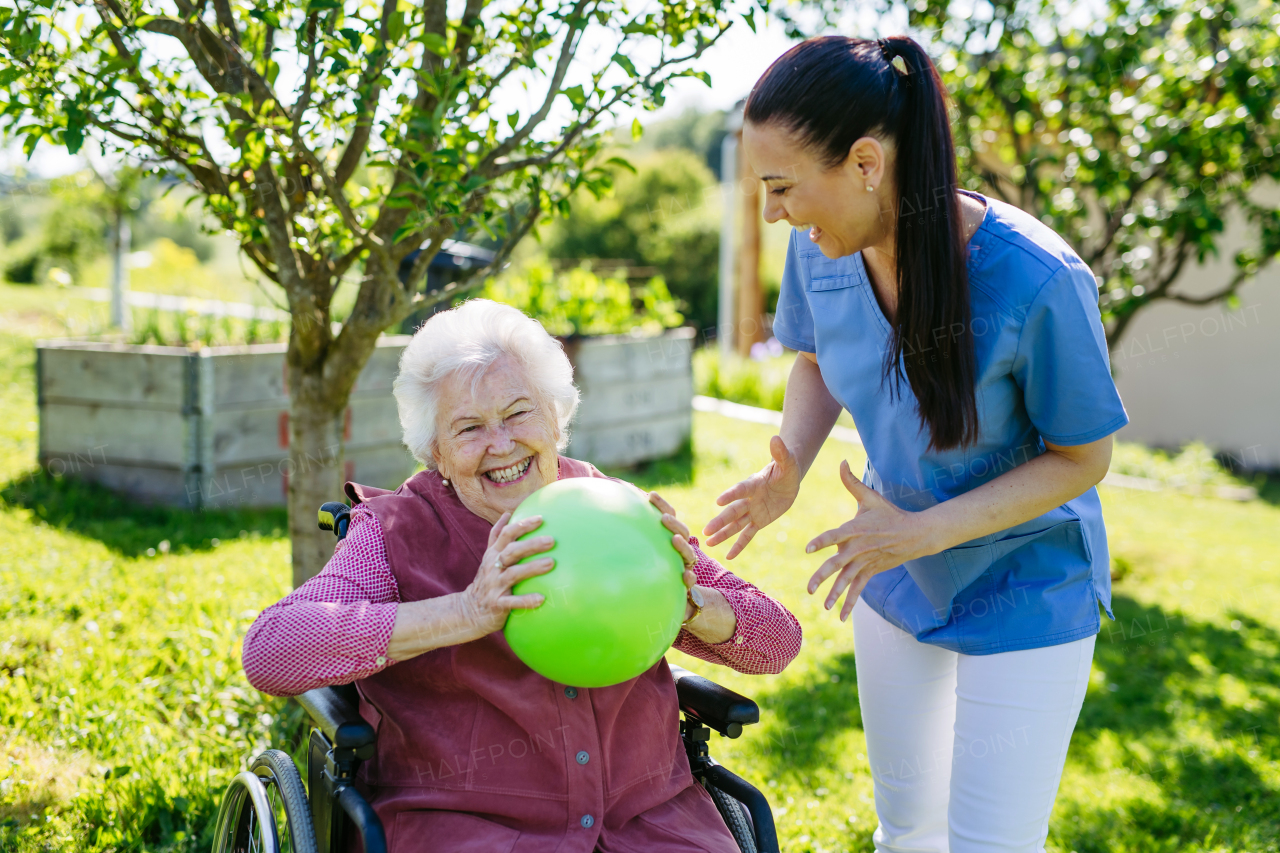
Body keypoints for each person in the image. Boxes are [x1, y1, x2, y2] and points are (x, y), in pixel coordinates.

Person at [703, 35, 1128, 853]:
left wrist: (921, 529)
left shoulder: (1038, 277)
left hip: (1027, 587)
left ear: (865, 161)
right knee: (907, 832)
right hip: (896, 576)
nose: (773, 212)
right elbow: (819, 356)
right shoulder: (821, 249)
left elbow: (1084, 458)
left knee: (988, 844)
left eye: (783, 187)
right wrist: (786, 466)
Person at [242, 299, 802, 853]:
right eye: (469, 428)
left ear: (556, 418)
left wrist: (689, 607)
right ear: (434, 451)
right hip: (466, 828)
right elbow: (271, 651)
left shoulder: (619, 512)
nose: (501, 444)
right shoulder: (393, 535)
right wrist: (462, 613)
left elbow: (779, 643)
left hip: (651, 825)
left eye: (518, 413)